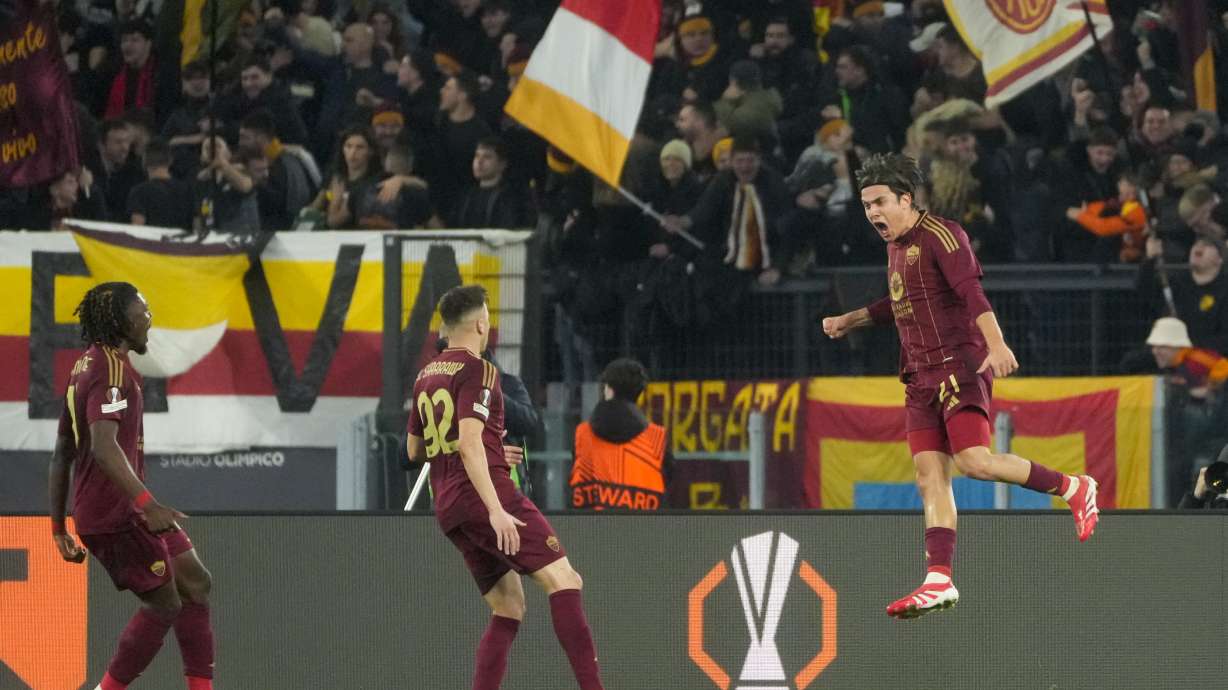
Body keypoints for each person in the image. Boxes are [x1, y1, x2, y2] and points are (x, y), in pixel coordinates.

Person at [821, 153, 1099, 620]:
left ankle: (1073, 486)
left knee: (974, 462)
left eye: (880, 202)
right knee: (930, 476)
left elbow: (972, 292)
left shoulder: (943, 235)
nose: (872, 213)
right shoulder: (894, 246)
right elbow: (902, 299)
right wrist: (854, 319)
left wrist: (998, 343)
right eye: (867, 204)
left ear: (905, 199)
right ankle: (939, 580)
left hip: (958, 364)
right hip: (918, 375)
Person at [406, 285, 605, 690]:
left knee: (508, 605)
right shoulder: (480, 370)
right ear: (482, 323)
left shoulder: (426, 375)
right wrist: (496, 508)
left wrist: (488, 450)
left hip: (449, 506)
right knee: (565, 579)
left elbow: (413, 450)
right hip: (488, 498)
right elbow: (468, 441)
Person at [48, 283, 215, 690]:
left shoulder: (86, 365)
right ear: (123, 321)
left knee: (194, 580)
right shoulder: (110, 370)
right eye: (143, 310)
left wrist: (57, 528)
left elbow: (62, 451)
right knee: (164, 602)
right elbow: (103, 448)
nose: (149, 318)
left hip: (119, 508)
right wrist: (148, 502)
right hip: (117, 512)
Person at [570, 358, 669, 511]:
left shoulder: (582, 435)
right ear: (639, 393)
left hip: (591, 530)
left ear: (609, 389)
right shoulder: (657, 439)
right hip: (645, 530)